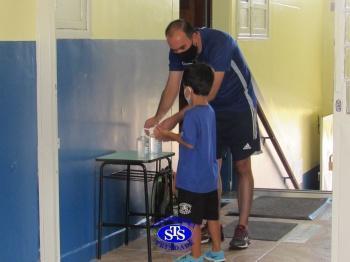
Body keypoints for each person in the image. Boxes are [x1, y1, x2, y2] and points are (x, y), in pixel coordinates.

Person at [145, 19, 260, 250]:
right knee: (211, 167)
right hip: (209, 114)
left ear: (195, 37)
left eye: (182, 48)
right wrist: (158, 116)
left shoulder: (220, 43)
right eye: (173, 49)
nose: (177, 53)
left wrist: (175, 118)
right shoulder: (178, 51)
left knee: (242, 166)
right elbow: (172, 85)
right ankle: (212, 223)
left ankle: (242, 227)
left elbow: (209, 95)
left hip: (238, 108)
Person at [154, 63, 224, 262]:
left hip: (192, 181)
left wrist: (168, 134)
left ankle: (195, 257)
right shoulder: (209, 110)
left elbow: (190, 143)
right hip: (209, 179)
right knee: (212, 216)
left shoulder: (192, 115)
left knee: (191, 220)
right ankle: (217, 252)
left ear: (188, 90)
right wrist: (175, 135)